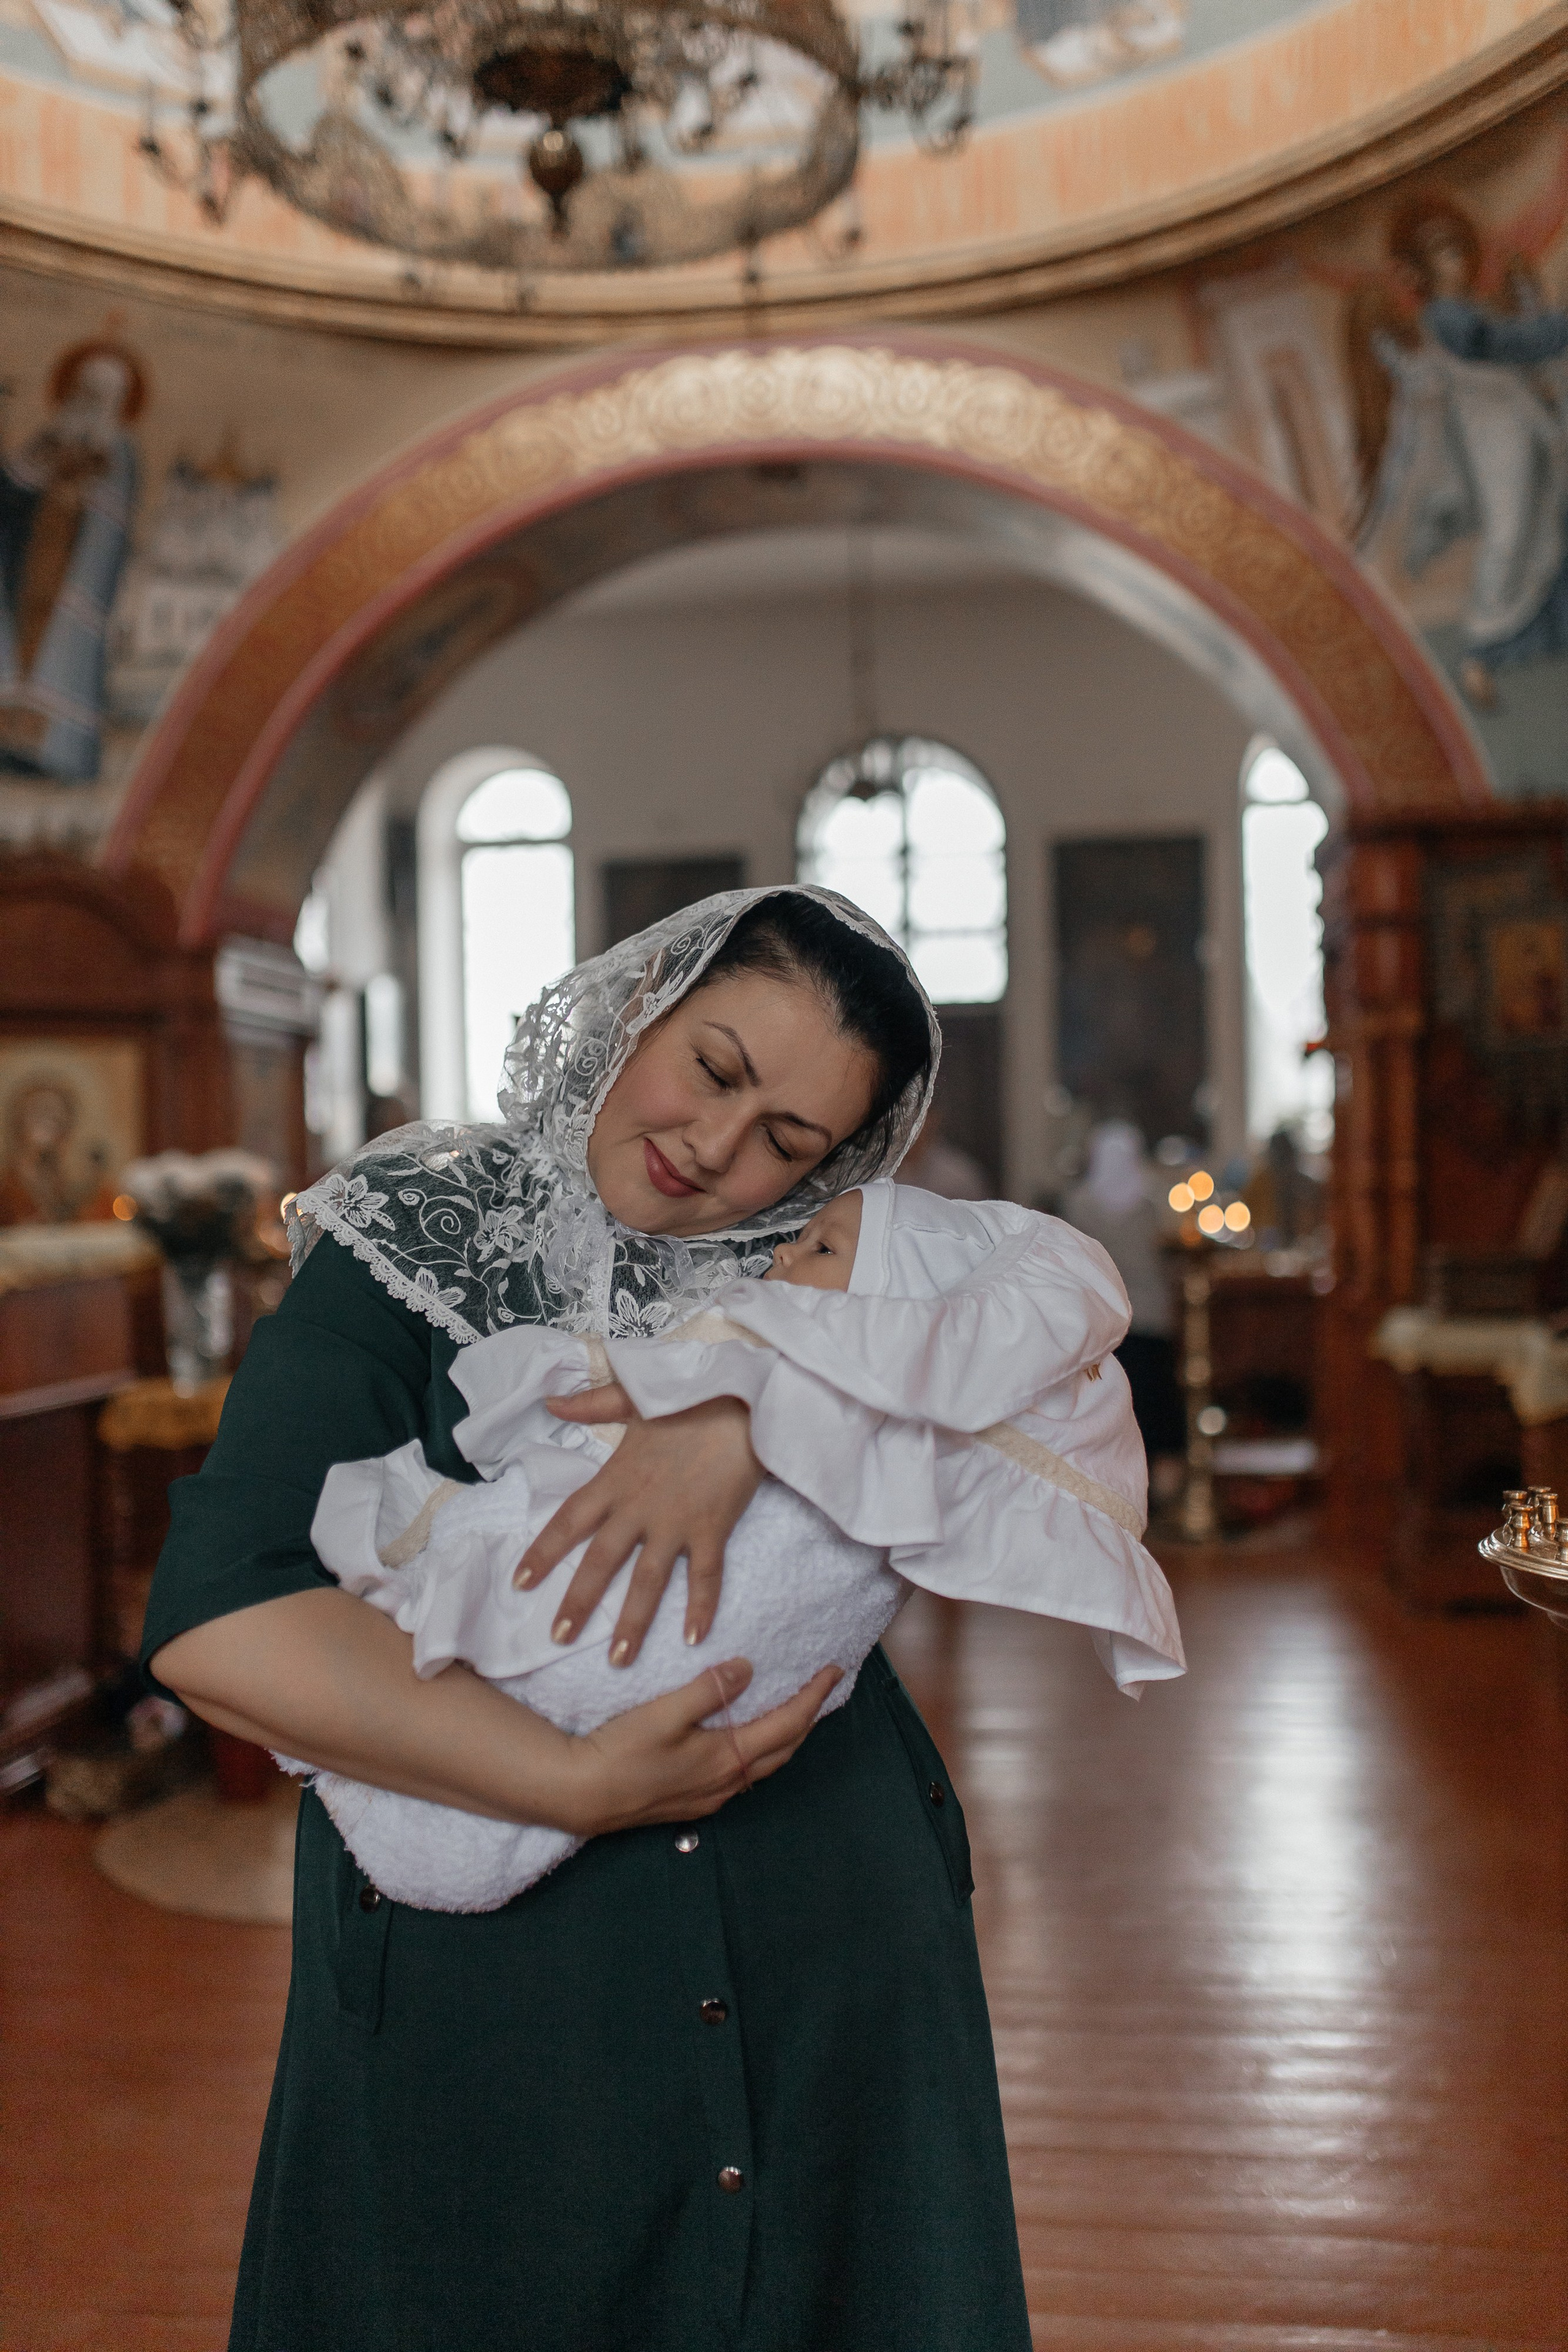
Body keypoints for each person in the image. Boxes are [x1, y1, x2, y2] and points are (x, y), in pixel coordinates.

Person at [142, 885, 1038, 2352]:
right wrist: (571, 1780)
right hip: (495, 1972)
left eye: (789, 1142)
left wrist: (751, 1404)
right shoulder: (416, 1233)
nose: (717, 1149)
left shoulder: (843, 1276)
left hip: (826, 1935)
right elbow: (219, 1616)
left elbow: (1061, 1382)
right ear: (640, 1003)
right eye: (717, 1066)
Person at [293, 1177, 1184, 1912]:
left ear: (896, 1315)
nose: (780, 1259)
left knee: (562, 1678)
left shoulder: (867, 1424)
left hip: (695, 1696)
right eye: (794, 1242)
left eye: (823, 1250)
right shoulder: (727, 1334)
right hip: (580, 1631)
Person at [1065, 1118, 1186, 1487]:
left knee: (1111, 1404)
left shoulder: (1080, 1201)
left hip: (1104, 1321)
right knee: (1151, 1402)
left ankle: (1113, 1482)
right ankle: (1156, 1484)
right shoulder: (1152, 1200)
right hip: (1150, 1318)